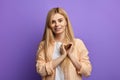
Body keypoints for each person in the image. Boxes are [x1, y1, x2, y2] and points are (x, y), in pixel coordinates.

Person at [36, 7, 92, 80]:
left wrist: (71, 55)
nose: (57, 24)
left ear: (66, 22)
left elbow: (87, 71)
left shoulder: (78, 43)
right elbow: (41, 70)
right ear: (49, 25)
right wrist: (62, 56)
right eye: (53, 22)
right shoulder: (44, 45)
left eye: (60, 20)